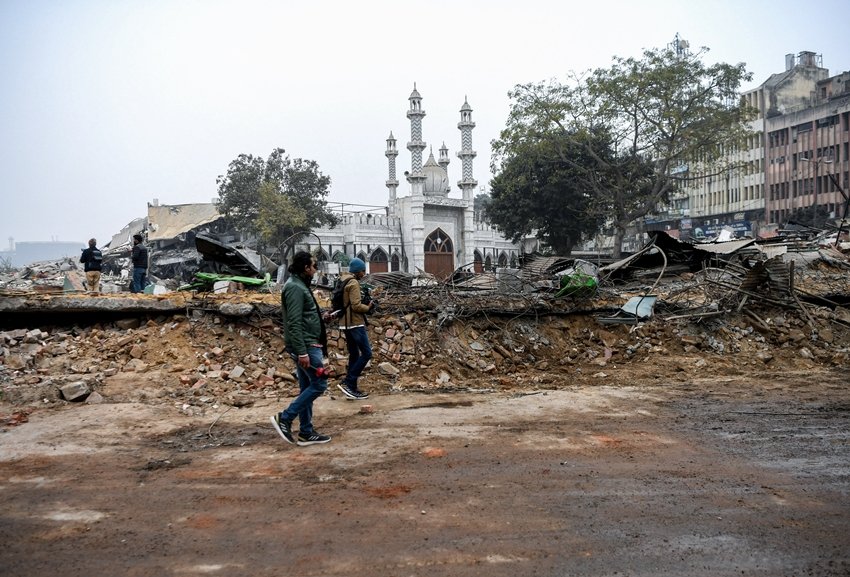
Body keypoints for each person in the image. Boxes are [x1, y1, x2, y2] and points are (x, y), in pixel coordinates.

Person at [270, 251, 333, 446]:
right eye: (314, 266)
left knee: (307, 387)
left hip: (308, 342)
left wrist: (320, 318)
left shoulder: (299, 285)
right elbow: (294, 322)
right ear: (306, 268)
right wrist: (302, 352)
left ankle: (306, 432)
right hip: (306, 345)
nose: (315, 270)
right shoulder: (295, 287)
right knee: (319, 384)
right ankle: (285, 418)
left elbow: (303, 317)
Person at [336, 257, 374, 400]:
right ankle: (350, 382)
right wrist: (368, 307)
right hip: (355, 323)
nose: (364, 274)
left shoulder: (342, 280)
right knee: (367, 353)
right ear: (358, 271)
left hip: (345, 323)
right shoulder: (353, 283)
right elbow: (356, 305)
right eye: (363, 271)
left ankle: (351, 388)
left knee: (354, 354)